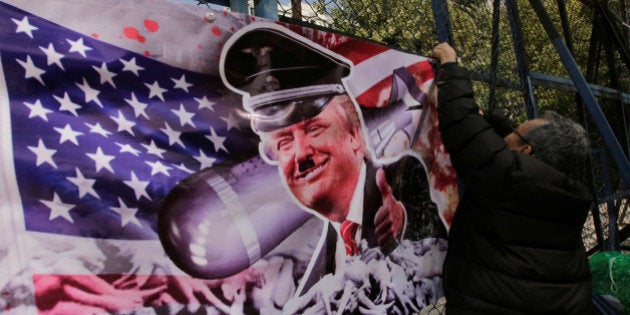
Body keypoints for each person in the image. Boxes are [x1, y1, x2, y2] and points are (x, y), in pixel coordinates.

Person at [221, 23, 447, 289]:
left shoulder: (405, 176)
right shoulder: (312, 282)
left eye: (315, 129)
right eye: (283, 143)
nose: (301, 152)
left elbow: (432, 240)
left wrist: (406, 220)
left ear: (354, 133)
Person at [432, 42, 594, 314]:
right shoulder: (566, 194)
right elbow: (503, 143)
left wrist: (451, 66)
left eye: (515, 132)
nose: (505, 136)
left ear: (526, 151)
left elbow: (462, 126)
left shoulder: (510, 178)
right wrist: (495, 121)